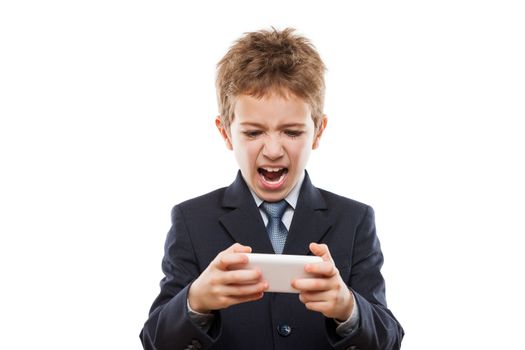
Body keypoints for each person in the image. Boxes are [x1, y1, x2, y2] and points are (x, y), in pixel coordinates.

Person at [140, 27, 404, 350]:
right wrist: (195, 301)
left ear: (318, 132)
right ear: (225, 133)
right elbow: (154, 341)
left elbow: (389, 340)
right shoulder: (191, 221)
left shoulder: (355, 220)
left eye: (292, 132)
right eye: (253, 133)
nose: (274, 150)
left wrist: (348, 308)